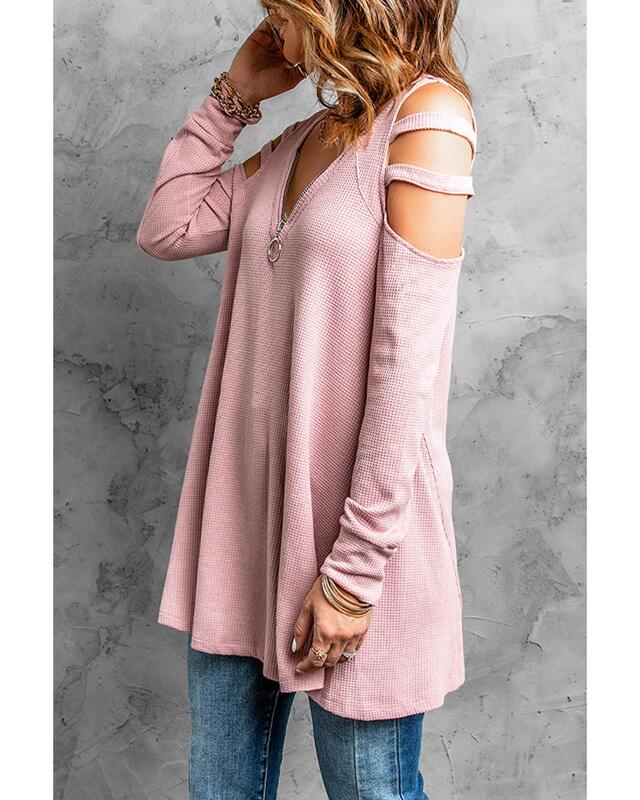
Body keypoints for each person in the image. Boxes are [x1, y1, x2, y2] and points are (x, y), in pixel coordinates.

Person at [136, 1, 478, 797]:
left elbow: (404, 370)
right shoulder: (300, 140)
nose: (269, 27)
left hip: (354, 541)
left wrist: (352, 575)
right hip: (244, 527)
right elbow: (167, 227)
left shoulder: (428, 121)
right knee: (220, 788)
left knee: (370, 791)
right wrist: (233, 96)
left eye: (278, 11)